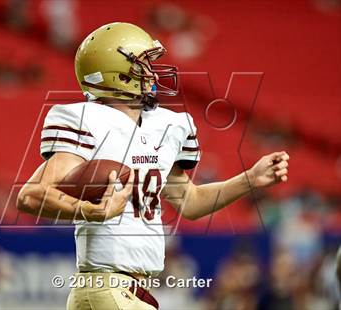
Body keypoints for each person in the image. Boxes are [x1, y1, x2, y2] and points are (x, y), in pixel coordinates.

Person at [17, 22, 290, 310]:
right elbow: (30, 196)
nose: (151, 73)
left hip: (135, 291)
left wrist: (250, 178)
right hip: (105, 286)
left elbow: (190, 202)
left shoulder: (167, 124)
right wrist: (92, 211)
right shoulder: (85, 119)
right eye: (142, 64)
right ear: (116, 73)